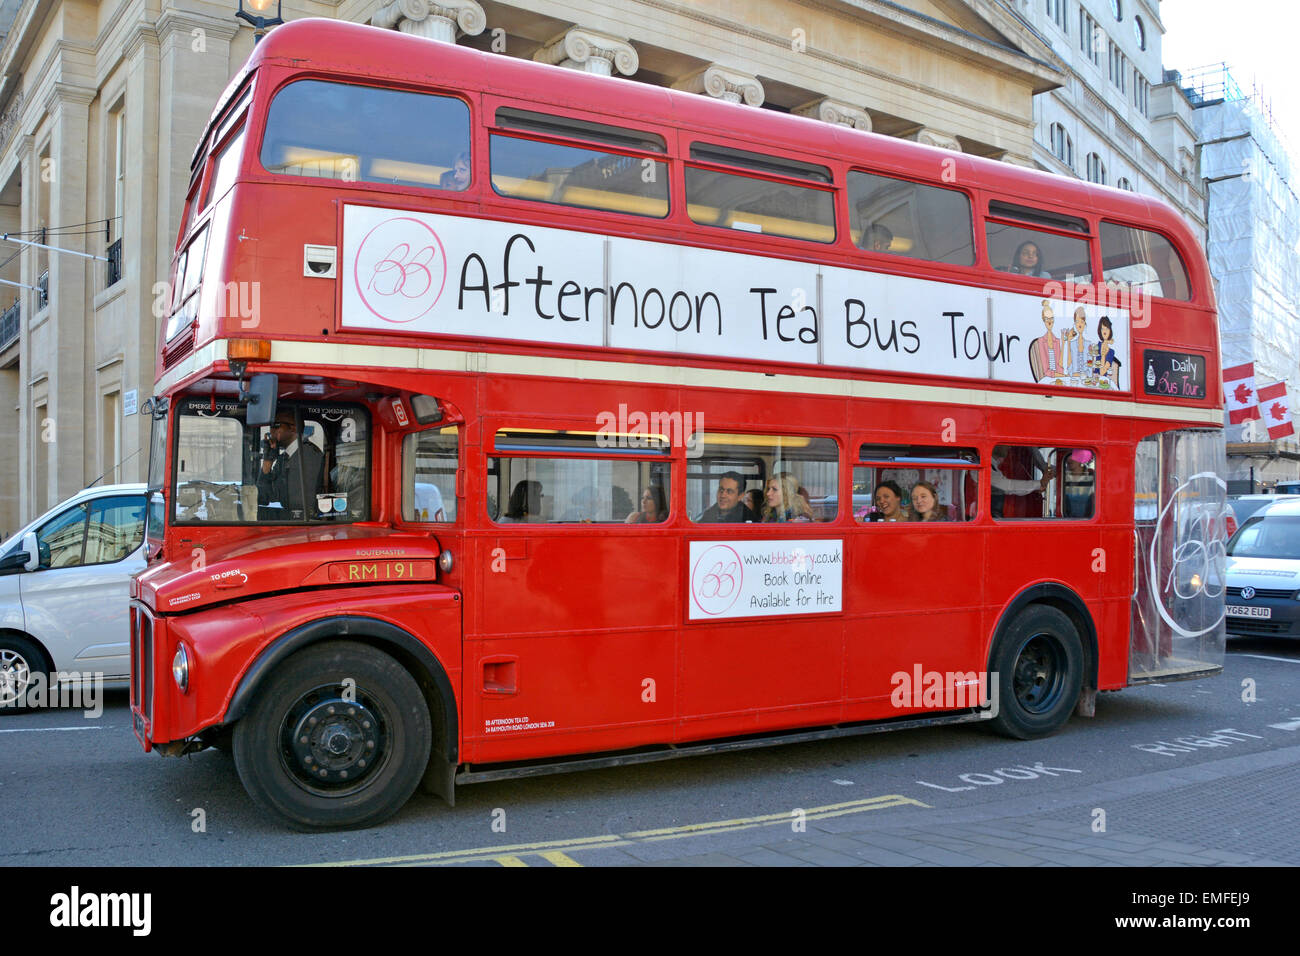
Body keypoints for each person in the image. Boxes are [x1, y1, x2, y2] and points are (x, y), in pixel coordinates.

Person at [256, 410, 325, 520]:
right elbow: (264, 498)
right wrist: (267, 461)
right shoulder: (284, 458)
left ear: (293, 428)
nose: (271, 430)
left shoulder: (309, 455)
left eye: (275, 425)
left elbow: (295, 505)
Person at [990, 447, 1053, 518]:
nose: (1010, 446)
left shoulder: (993, 464)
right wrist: (1040, 483)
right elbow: (1008, 486)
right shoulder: (985, 467)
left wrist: (1045, 467)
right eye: (1005, 443)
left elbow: (1031, 448)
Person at [1028, 300, 1064, 381]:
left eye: (1051, 318)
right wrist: (1062, 376)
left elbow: (1059, 366)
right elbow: (1046, 371)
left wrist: (1062, 376)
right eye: (1047, 319)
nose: (1049, 321)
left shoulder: (1057, 341)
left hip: (1058, 378)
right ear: (1043, 320)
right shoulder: (1040, 342)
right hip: (1047, 379)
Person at [1062, 306, 1089, 377]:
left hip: (1087, 380)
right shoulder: (1072, 344)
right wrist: (1068, 341)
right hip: (1074, 379)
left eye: (1082, 321)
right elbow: (1069, 365)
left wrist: (1085, 375)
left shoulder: (1089, 344)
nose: (1079, 324)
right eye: (1077, 321)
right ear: (1074, 324)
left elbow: (1091, 366)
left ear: (1085, 324)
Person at [1097, 316, 1121, 386]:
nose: (1104, 331)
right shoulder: (1096, 347)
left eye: (1107, 328)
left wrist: (1103, 355)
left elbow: (1102, 373)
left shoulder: (1111, 352)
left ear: (1110, 331)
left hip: (1103, 384)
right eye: (1102, 329)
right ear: (1100, 331)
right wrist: (1107, 342)